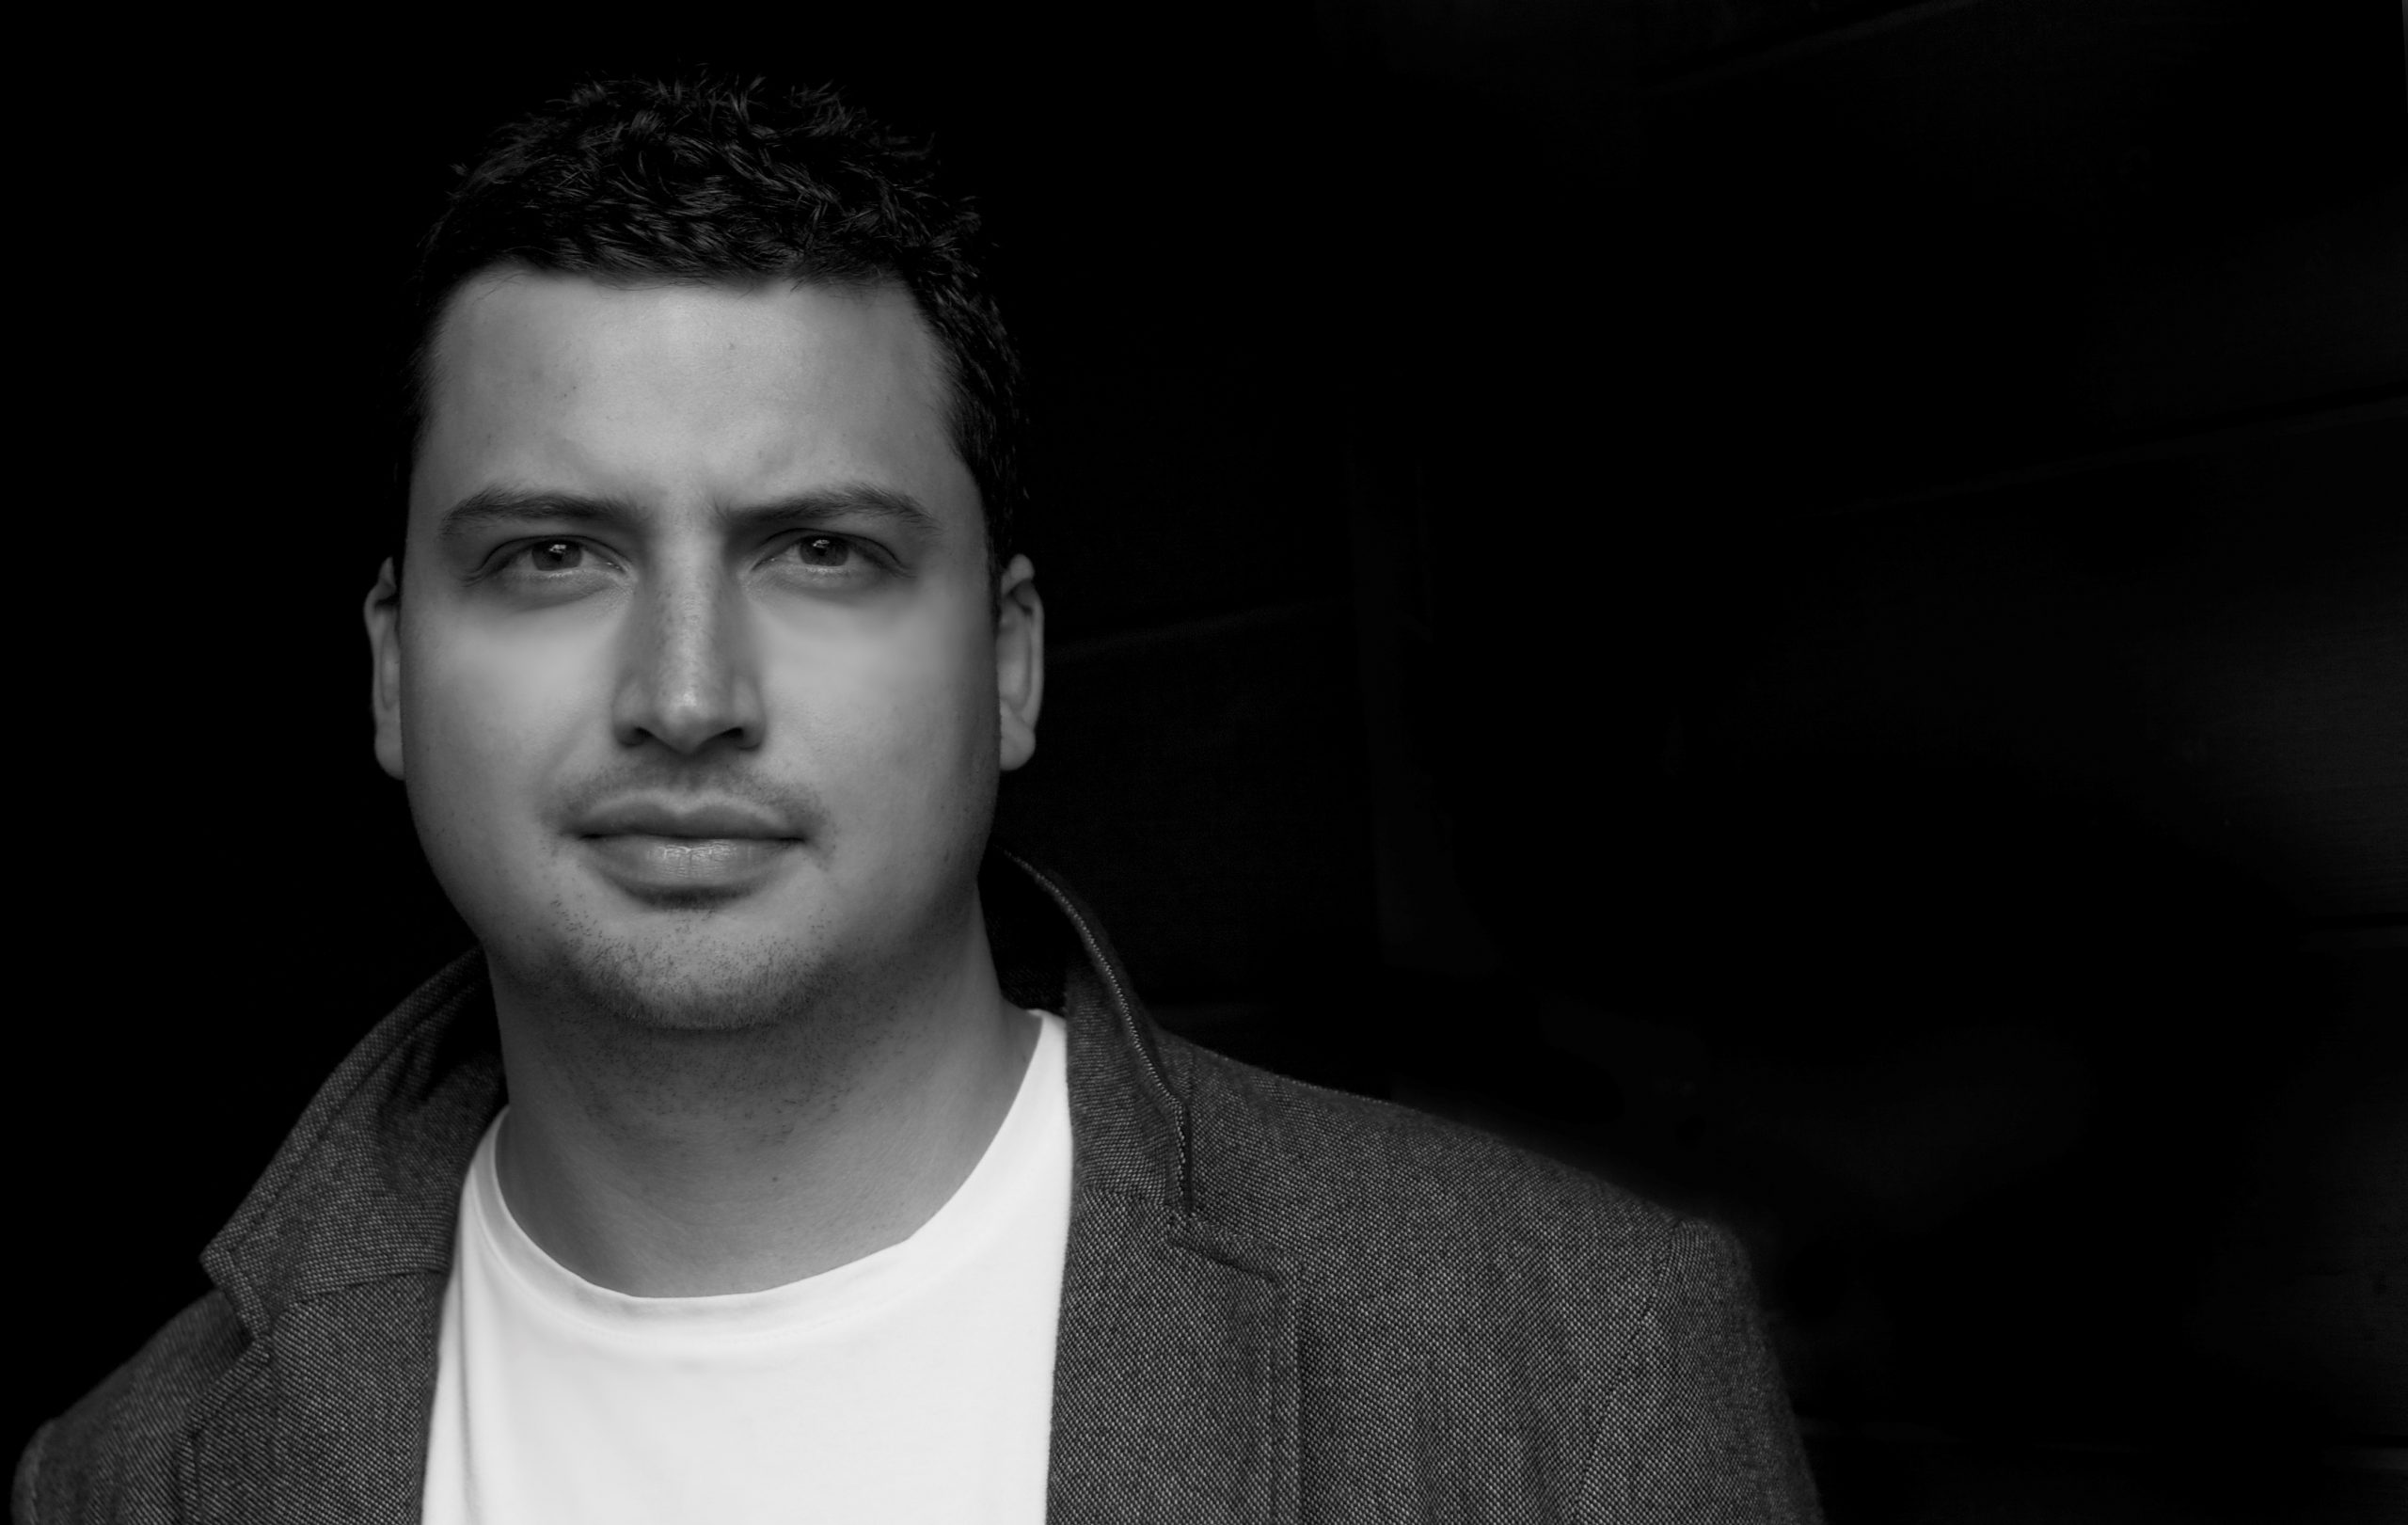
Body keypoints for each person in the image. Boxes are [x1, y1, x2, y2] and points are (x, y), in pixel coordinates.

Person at [13, 75, 1822, 1523]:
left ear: (1009, 662)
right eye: (554, 553)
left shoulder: (1569, 1369)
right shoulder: (125, 1476)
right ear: (395, 672)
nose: (687, 697)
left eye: (821, 549)